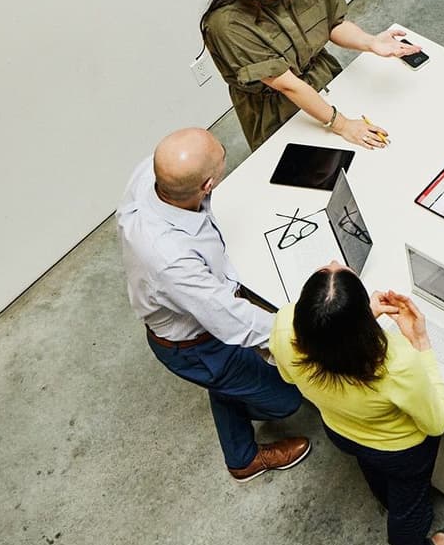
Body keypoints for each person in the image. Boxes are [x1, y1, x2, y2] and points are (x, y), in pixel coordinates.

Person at [117, 128, 311, 480]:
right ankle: (247, 456)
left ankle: (240, 457)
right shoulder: (170, 260)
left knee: (232, 381)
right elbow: (234, 322)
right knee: (287, 399)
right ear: (206, 185)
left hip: (199, 317)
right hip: (194, 345)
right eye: (221, 157)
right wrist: (306, 329)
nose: (224, 150)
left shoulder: (155, 174)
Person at [269, 264, 444, 545]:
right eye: (330, 269)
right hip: (400, 451)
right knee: (408, 508)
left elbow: (289, 375)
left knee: (372, 469)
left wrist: (347, 324)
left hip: (340, 429)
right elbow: (437, 422)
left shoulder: (283, 326)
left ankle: (384, 499)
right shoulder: (395, 362)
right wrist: (421, 343)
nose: (336, 263)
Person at [200, 0, 417, 151]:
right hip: (278, 114)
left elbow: (332, 25)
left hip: (327, 80)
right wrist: (343, 125)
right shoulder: (226, 24)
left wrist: (370, 43)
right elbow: (286, 84)